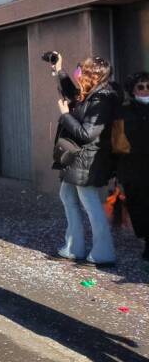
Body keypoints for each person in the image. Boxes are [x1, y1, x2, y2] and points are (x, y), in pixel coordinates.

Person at [53, 54, 118, 266]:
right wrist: (60, 70)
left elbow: (86, 133)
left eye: (82, 70)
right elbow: (73, 94)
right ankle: (73, 247)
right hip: (78, 158)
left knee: (90, 203)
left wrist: (65, 115)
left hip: (88, 160)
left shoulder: (103, 99)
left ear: (92, 76)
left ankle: (103, 253)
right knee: (67, 196)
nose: (77, 73)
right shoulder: (91, 94)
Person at [116, 72, 149, 259]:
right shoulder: (124, 111)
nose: (145, 90)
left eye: (148, 86)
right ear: (133, 90)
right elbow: (118, 142)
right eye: (140, 86)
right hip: (134, 169)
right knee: (139, 207)